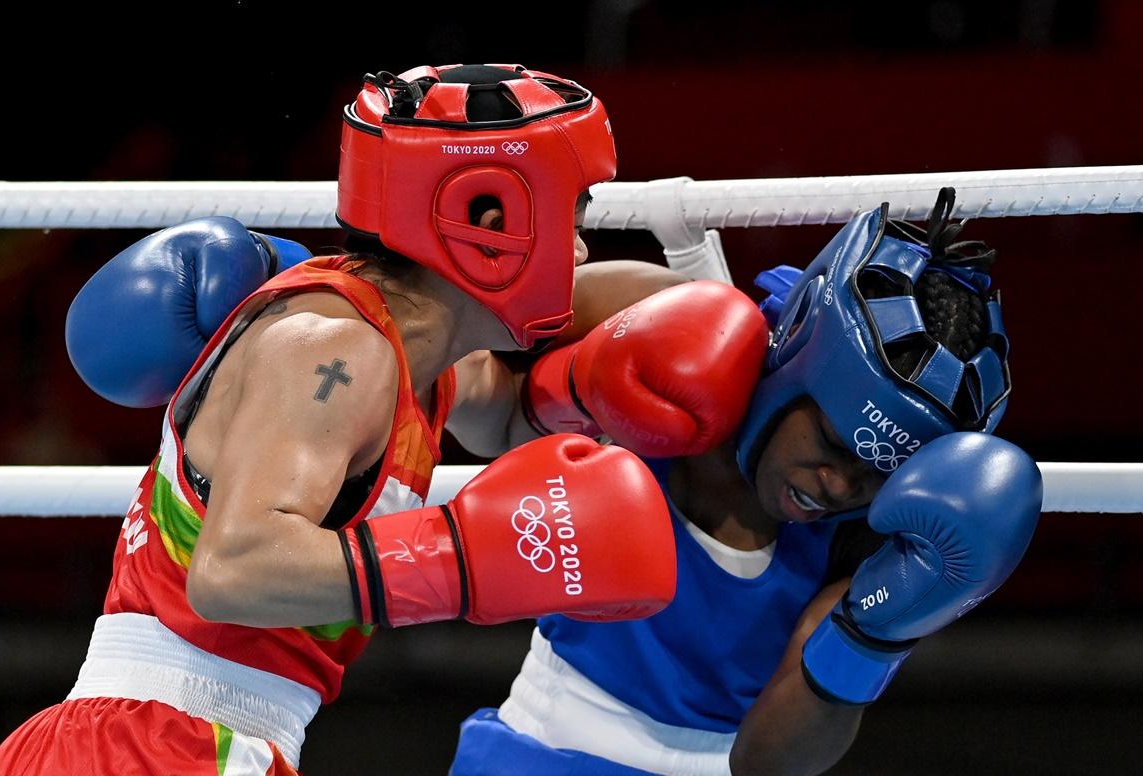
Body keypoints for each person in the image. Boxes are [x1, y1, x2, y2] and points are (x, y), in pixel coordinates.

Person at [0, 64, 770, 775]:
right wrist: (461, 561)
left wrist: (620, 370)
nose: (579, 242)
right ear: (488, 217)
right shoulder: (334, 350)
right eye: (570, 212)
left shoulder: (423, 357)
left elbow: (506, 417)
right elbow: (235, 569)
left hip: (196, 741)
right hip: (154, 746)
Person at [447, 189, 1045, 775]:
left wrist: (875, 636)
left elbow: (769, 762)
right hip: (540, 745)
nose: (840, 486)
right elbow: (463, 352)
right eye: (833, 444)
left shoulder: (879, 528)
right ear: (796, 363)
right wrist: (565, 391)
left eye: (880, 471)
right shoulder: (668, 322)